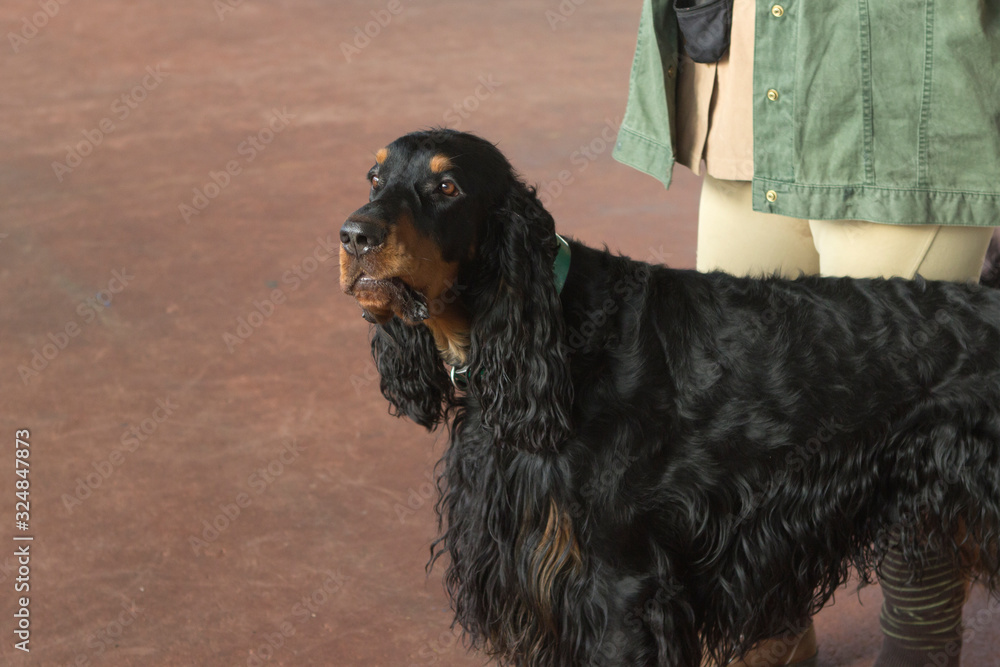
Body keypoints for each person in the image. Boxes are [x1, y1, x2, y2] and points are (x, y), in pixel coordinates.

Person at [613, 1, 1000, 665]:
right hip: (745, 92)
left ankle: (920, 646)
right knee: (735, 421)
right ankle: (769, 640)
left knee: (916, 436)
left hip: (901, 107)